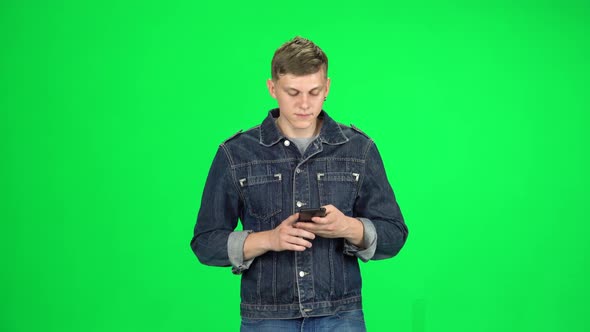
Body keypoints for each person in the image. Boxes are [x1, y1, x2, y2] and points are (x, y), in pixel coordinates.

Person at [190, 36, 408, 331]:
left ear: (327, 88)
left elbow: (395, 235)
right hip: (266, 317)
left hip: (340, 316)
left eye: (314, 92)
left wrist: (349, 228)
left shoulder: (359, 149)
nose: (304, 104)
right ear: (272, 89)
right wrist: (268, 240)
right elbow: (205, 243)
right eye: (292, 92)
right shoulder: (236, 153)